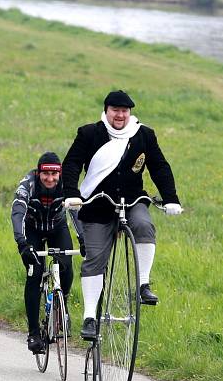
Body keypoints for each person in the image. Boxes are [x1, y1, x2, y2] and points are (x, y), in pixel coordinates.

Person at [62, 90, 182, 340]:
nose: (120, 115)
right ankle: (89, 317)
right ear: (106, 111)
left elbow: (159, 166)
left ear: (130, 113)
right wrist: (72, 193)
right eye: (115, 110)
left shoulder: (143, 135)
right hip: (97, 203)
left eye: (124, 111)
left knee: (144, 225)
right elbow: (72, 164)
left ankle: (143, 285)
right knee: (94, 257)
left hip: (132, 200)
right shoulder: (89, 133)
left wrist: (171, 198)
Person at [11, 152, 83, 354]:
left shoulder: (65, 184)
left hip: (57, 228)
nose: (50, 179)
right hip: (31, 230)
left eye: (54, 174)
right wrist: (22, 244)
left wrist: (83, 239)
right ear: (38, 172)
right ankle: (34, 333)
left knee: (67, 266)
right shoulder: (28, 184)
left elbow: (76, 212)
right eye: (46, 174)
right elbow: (17, 213)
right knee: (34, 273)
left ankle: (62, 305)